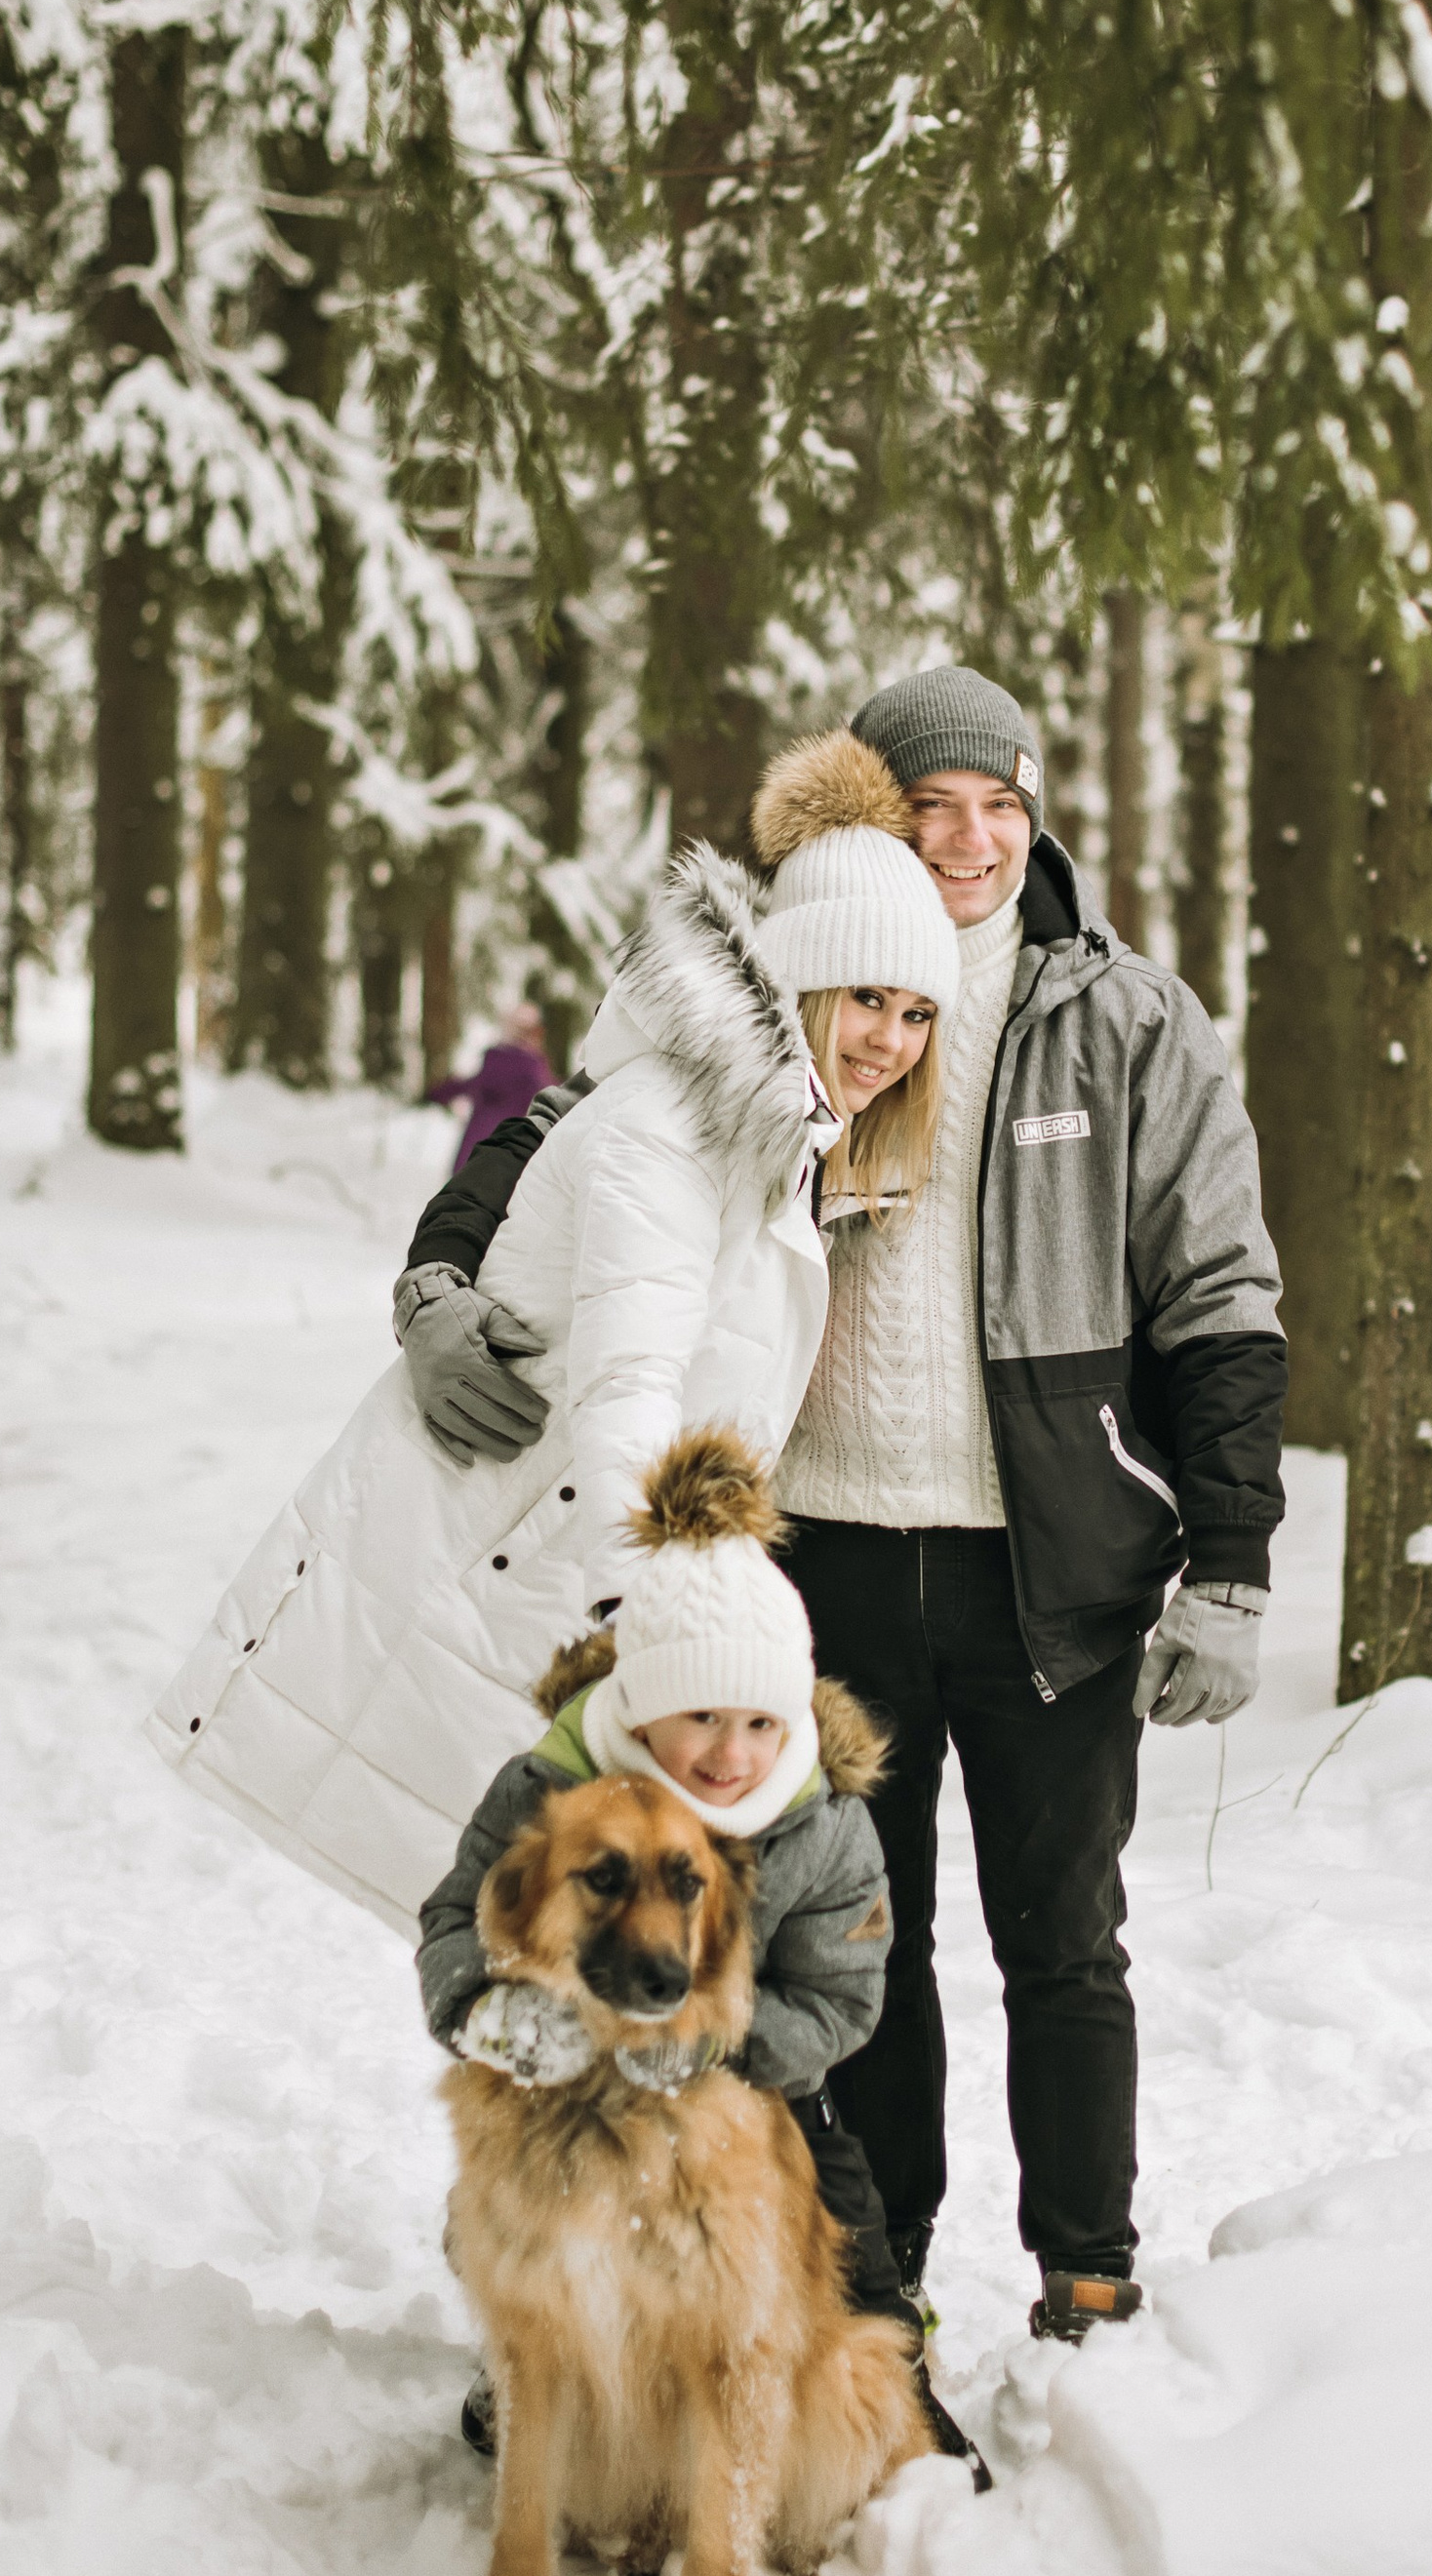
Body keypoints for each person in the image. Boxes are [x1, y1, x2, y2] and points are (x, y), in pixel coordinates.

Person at [392, 664, 1289, 2346]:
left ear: (1038, 821)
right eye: (934, 808)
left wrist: (1228, 1558)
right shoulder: (773, 997)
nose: (972, 841)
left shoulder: (1129, 1021)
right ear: (875, 814)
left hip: (1055, 1569)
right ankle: (880, 2274)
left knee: (1065, 1939)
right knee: (858, 1929)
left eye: (1003, 810)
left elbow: (1223, 1295)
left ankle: (1088, 2268)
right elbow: (563, 1138)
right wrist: (441, 1277)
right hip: (824, 1571)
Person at [149, 726, 956, 1958]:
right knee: (560, 1985)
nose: (889, 1042)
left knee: (569, 1987)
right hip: (530, 1583)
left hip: (559, 1596)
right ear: (798, 982)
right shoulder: (677, 1129)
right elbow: (630, 1392)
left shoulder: (770, 1139)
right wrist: (680, 1635)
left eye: (914, 1014)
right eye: (864, 1000)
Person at [416, 1422, 983, 2476]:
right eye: (702, 1717)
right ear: (640, 1704)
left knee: (840, 2245)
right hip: (569, 2087)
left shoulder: (820, 1824)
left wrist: (724, 2044)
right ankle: (535, 2358)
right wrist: (481, 2007)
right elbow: (453, 1919)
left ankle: (883, 2359)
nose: (733, 1754)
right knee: (503, 2216)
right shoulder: (551, 1788)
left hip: (757, 2095)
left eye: (762, 1723)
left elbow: (845, 1995)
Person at [425, 998, 554, 1174]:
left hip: (475, 1151)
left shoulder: (494, 1061)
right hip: (512, 1154)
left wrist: (435, 1094)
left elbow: (464, 1084)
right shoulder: (534, 1071)